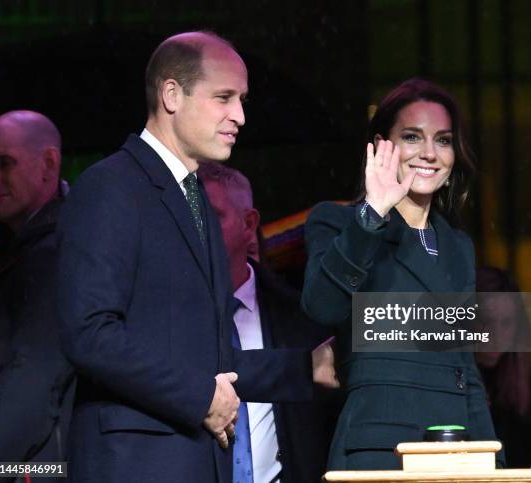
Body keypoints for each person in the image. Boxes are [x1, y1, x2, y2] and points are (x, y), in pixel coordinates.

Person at [56, 31, 335, 483]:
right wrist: (201, 396)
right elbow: (89, 333)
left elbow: (211, 359)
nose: (240, 116)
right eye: (223, 97)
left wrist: (307, 367)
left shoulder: (197, 198)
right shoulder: (110, 187)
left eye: (242, 99)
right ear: (171, 94)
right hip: (135, 465)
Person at [301, 78, 502, 471]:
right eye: (413, 137)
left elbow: (465, 367)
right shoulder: (338, 222)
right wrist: (373, 213)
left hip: (454, 450)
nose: (430, 153)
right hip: (379, 449)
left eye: (443, 140)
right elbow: (322, 307)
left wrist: (495, 461)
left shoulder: (457, 245)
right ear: (381, 147)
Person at [198, 161, 340, 482]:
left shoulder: (306, 318)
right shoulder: (165, 315)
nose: (198, 230)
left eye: (212, 217)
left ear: (248, 223)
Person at [0, 110, 75, 481]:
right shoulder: (31, 250)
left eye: (4, 163)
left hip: (40, 467)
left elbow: (32, 386)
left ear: (49, 163)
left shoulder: (55, 254)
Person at [475, 266, 531, 467]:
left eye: (507, 323)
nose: (496, 336)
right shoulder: (449, 384)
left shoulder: (522, 392)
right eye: (485, 321)